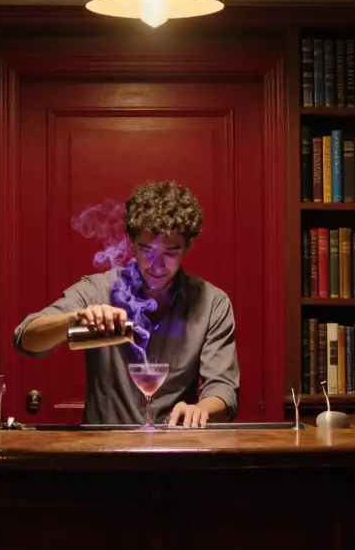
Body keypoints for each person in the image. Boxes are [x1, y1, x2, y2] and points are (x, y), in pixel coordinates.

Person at [13, 181, 240, 427]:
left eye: (170, 252)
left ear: (188, 246)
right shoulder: (98, 289)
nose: (156, 265)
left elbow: (224, 389)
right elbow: (25, 338)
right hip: (103, 447)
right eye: (146, 249)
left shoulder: (212, 303)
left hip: (175, 445)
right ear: (131, 243)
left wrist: (200, 410)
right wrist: (75, 319)